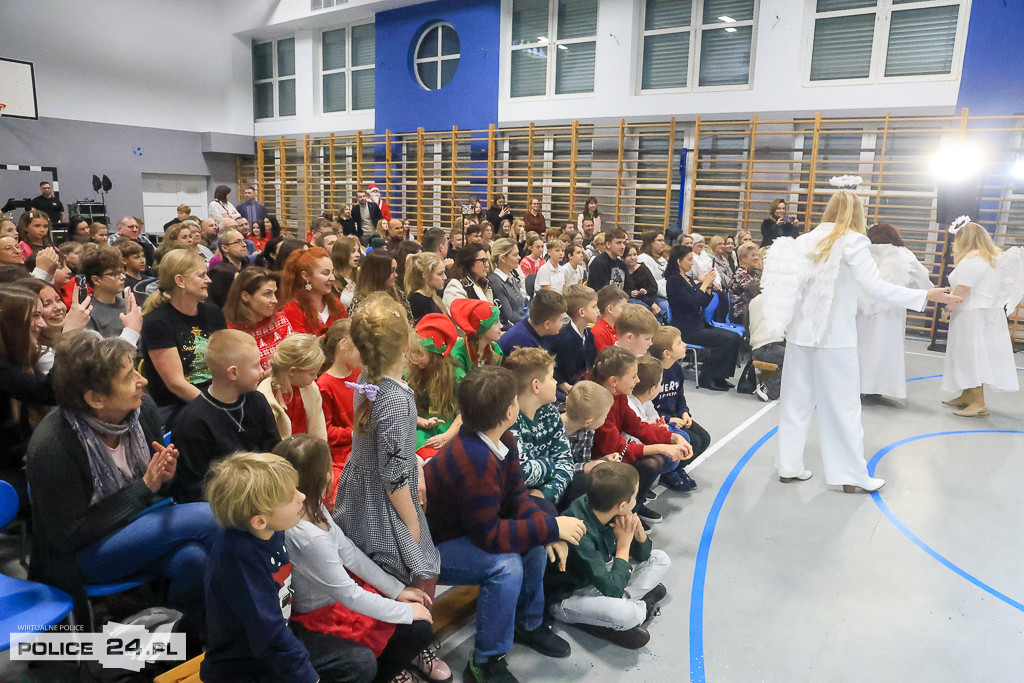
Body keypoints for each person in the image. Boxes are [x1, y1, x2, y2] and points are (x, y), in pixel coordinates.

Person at [760, 190, 959, 492]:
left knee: (794, 403)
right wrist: (924, 295)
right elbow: (876, 287)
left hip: (800, 336)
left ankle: (788, 466)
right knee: (844, 408)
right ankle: (850, 475)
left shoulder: (805, 240)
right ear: (857, 212)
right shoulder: (854, 241)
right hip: (836, 338)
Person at [27, 331, 219, 631]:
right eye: (129, 377)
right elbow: (68, 535)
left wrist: (165, 477)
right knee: (212, 518)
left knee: (193, 561)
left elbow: (160, 491)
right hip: (81, 554)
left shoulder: (143, 411)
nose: (142, 381)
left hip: (141, 527)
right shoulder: (54, 446)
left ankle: (175, 646)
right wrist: (144, 488)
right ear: (95, 398)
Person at [423, 365, 587, 683]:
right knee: (506, 566)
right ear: (511, 410)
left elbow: (517, 498)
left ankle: (527, 625)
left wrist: (543, 525)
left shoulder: (502, 440)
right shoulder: (475, 458)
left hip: (468, 531)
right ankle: (486, 660)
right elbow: (490, 536)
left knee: (533, 544)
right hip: (433, 547)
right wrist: (552, 528)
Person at [278, 435, 448, 683]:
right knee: (414, 628)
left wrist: (397, 590)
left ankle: (393, 660)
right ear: (324, 478)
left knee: (414, 620)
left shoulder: (312, 504)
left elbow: (349, 551)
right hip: (319, 616)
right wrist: (404, 611)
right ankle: (385, 673)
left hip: (337, 600)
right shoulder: (308, 537)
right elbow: (349, 594)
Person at [335, 293, 440, 591]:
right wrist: (412, 523)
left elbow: (390, 450)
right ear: (407, 342)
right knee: (411, 568)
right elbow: (393, 476)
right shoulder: (394, 398)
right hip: (384, 499)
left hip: (367, 487)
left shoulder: (371, 376)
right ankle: (408, 630)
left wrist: (415, 463)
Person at [201, 452, 318, 683]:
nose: (302, 496)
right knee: (356, 663)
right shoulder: (238, 558)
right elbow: (269, 632)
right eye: (290, 496)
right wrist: (308, 677)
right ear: (259, 520)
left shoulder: (271, 530)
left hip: (270, 647)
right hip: (243, 670)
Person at [545, 461, 670, 649]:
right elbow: (613, 589)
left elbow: (644, 556)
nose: (636, 501)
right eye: (635, 497)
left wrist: (639, 535)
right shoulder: (580, 532)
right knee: (628, 615)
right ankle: (636, 610)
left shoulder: (605, 506)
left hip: (602, 578)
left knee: (661, 559)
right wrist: (624, 544)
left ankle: (627, 608)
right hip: (570, 595)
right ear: (621, 505)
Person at [171, 330, 280, 503]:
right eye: (256, 366)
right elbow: (195, 488)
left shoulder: (257, 400)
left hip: (264, 491)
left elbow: (275, 451)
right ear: (233, 373)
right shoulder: (192, 422)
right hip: (225, 504)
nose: (262, 371)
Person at [590, 347, 691, 526]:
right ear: (614, 381)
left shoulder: (618, 395)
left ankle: (633, 507)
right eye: (634, 376)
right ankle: (624, 514)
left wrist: (671, 437)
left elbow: (638, 427)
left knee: (658, 457)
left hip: (614, 455)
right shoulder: (599, 404)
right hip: (601, 462)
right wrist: (662, 447)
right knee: (652, 463)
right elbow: (616, 449)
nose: (637, 381)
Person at [941, 221, 1021, 416]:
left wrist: (948, 308)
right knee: (969, 356)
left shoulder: (973, 259)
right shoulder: (991, 258)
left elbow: (963, 289)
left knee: (970, 357)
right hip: (982, 314)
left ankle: (978, 402)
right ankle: (968, 394)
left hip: (972, 315)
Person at [140, 249, 226, 426]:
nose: (208, 280)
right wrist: (215, 407)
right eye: (201, 275)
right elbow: (176, 384)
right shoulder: (157, 322)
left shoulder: (213, 312)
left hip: (215, 395)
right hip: (177, 406)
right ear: (180, 281)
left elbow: (225, 360)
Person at [855, 223, 933, 400]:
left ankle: (859, 386)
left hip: (862, 308)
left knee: (862, 347)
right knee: (886, 350)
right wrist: (923, 292)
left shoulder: (864, 253)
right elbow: (922, 277)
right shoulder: (903, 254)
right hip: (892, 310)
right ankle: (878, 388)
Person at [0, 285, 54, 509]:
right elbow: (50, 392)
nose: (42, 324)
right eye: (35, 316)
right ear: (12, 321)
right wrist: (69, 335)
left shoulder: (13, 360)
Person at [505, 347, 574, 509]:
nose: (556, 382)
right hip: (517, 497)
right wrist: (550, 464)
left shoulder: (550, 410)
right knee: (544, 510)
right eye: (551, 377)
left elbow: (566, 462)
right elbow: (522, 473)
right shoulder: (509, 418)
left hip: (545, 490)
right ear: (536, 385)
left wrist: (547, 494)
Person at [666, 244, 741, 391]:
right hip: (687, 329)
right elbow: (692, 302)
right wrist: (704, 283)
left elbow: (703, 302)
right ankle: (707, 376)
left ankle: (720, 376)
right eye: (689, 259)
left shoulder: (687, 278)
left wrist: (708, 287)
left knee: (735, 337)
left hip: (699, 324)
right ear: (678, 261)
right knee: (728, 339)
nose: (692, 263)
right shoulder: (673, 281)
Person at [627, 355, 695, 493]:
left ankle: (656, 478)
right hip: (632, 447)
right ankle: (640, 487)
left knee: (682, 436)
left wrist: (661, 425)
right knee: (668, 453)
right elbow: (637, 433)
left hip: (643, 437)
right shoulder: (630, 405)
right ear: (652, 389)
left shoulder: (644, 400)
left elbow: (653, 416)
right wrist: (661, 435)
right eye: (660, 383)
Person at [649, 325, 711, 459]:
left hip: (676, 415)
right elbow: (648, 409)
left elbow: (679, 396)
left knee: (704, 438)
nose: (684, 345)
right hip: (660, 419)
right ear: (667, 353)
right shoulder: (652, 374)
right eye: (679, 343)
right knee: (693, 441)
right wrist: (668, 419)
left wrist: (684, 412)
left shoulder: (676, 368)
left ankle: (678, 468)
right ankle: (670, 472)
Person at [317, 320, 361, 504]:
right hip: (343, 452)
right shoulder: (324, 385)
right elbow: (326, 432)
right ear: (344, 345)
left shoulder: (358, 373)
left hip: (360, 440)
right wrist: (353, 433)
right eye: (361, 346)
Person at [409, 313, 463, 456]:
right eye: (413, 352)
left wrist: (446, 436)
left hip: (449, 431)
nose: (414, 358)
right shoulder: (410, 373)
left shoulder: (456, 377)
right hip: (420, 430)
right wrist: (422, 421)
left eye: (420, 354)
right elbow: (404, 408)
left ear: (435, 356)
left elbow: (463, 414)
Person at [258, 333, 328, 441]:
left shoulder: (310, 389)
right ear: (293, 371)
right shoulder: (265, 397)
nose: (315, 378)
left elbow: (319, 432)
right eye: (312, 373)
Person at [558, 381, 616, 510]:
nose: (606, 419)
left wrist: (602, 460)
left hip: (571, 473)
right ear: (588, 421)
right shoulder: (553, 429)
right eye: (605, 416)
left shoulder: (588, 430)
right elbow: (553, 468)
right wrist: (585, 467)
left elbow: (583, 460)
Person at [224, 268, 295, 371]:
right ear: (245, 296)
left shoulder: (281, 322)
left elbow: (298, 359)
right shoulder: (231, 333)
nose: (275, 300)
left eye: (274, 293)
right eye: (267, 294)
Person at [80, 244, 143, 340]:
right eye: (115, 274)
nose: (123, 277)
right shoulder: (88, 315)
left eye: (122, 272)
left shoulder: (128, 305)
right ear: (96, 280)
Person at [280, 247, 346, 335]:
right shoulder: (293, 310)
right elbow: (300, 346)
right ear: (306, 276)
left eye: (332, 272)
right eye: (325, 273)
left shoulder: (337, 305)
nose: (332, 278)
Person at [545, 284, 597, 395]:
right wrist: (562, 383)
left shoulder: (589, 335)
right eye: (594, 307)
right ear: (582, 312)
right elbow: (561, 372)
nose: (598, 311)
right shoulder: (564, 339)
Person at [498, 289, 566, 355]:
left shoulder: (532, 328)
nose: (563, 323)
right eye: (561, 320)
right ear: (547, 324)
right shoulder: (525, 346)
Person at [449, 298, 504, 377]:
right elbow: (463, 387)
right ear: (482, 328)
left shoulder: (495, 349)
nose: (501, 326)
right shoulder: (457, 356)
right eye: (496, 322)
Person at [747, 294, 785, 401]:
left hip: (757, 349)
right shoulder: (777, 302)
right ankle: (767, 388)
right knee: (792, 357)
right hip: (768, 347)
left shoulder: (755, 300)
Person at [351, 249, 407, 315]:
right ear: (378, 274)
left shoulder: (400, 295)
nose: (396, 275)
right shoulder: (359, 303)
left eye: (395, 270)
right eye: (392, 271)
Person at [208, 227, 251, 308]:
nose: (244, 245)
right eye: (238, 242)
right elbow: (222, 304)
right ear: (225, 248)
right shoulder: (220, 272)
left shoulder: (247, 264)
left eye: (243, 241)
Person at [442, 243, 494, 310]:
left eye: (486, 260)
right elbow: (459, 316)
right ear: (469, 262)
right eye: (482, 261)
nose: (487, 265)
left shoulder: (483, 284)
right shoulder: (455, 286)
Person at [488, 238, 526, 327]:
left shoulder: (512, 277)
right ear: (503, 258)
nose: (519, 257)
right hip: (509, 330)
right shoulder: (496, 282)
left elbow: (521, 306)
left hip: (521, 324)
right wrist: (531, 322)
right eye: (515, 255)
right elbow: (509, 317)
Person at [587, 285, 628, 364]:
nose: (626, 311)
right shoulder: (599, 332)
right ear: (610, 309)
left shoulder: (619, 326)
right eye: (623, 307)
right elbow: (608, 364)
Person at [406, 252, 448, 323]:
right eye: (440, 274)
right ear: (425, 275)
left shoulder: (433, 296)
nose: (445, 277)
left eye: (444, 273)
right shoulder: (417, 302)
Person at [623, 243, 662, 316]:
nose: (633, 258)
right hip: (631, 300)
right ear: (623, 258)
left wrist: (646, 291)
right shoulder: (622, 271)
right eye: (629, 255)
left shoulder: (643, 269)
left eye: (635, 255)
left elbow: (654, 288)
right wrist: (631, 292)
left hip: (647, 298)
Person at [729, 242, 762, 328]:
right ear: (743, 259)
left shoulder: (753, 272)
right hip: (741, 315)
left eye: (757, 255)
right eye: (753, 255)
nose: (756, 258)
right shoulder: (740, 275)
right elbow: (757, 292)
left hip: (751, 312)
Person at [588, 228, 628, 292]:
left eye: (624, 243)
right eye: (618, 243)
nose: (623, 247)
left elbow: (628, 287)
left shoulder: (622, 265)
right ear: (608, 244)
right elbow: (601, 292)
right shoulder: (599, 263)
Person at [331, 234, 361, 311]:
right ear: (342, 253)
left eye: (358, 251)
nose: (358, 255)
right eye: (353, 251)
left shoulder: (360, 276)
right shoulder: (332, 280)